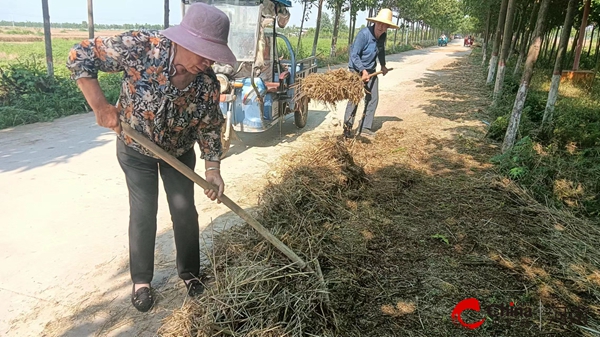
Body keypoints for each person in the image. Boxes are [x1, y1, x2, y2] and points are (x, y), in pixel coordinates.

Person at [66, 3, 236, 312]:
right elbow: (79, 55)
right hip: (135, 149)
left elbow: (210, 126)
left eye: (213, 54)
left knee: (184, 212)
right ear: (184, 40)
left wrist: (213, 169)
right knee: (143, 211)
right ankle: (141, 281)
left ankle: (190, 273)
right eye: (203, 52)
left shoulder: (207, 83)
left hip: (179, 152)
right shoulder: (141, 47)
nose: (207, 61)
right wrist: (101, 107)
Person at [343, 8, 399, 138]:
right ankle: (347, 129)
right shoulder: (364, 35)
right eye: (379, 23)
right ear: (375, 23)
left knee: (373, 98)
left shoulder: (383, 36)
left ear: (387, 27)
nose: (381, 27)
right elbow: (354, 55)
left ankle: (365, 127)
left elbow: (381, 51)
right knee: (354, 99)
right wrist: (362, 71)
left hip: (371, 70)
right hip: (356, 71)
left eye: (384, 25)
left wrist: (383, 65)